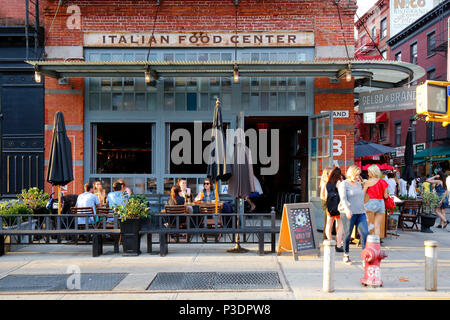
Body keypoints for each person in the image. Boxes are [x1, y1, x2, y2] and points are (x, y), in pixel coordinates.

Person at [338, 165, 369, 265]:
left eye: (358, 175)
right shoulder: (343, 184)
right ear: (351, 174)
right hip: (348, 212)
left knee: (365, 233)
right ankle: (346, 254)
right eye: (356, 175)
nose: (358, 177)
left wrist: (365, 212)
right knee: (347, 234)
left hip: (360, 212)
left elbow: (360, 199)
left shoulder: (359, 184)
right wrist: (347, 210)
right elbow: (343, 198)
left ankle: (365, 257)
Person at [363, 165, 389, 237]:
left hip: (373, 202)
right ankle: (377, 244)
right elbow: (386, 196)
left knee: (361, 210)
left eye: (368, 172)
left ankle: (369, 224)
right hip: (381, 204)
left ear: (372, 172)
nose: (368, 173)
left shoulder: (368, 182)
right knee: (377, 225)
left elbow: (362, 195)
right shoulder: (383, 181)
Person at [325, 167, 344, 253]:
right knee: (340, 225)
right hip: (338, 206)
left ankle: (329, 242)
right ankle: (338, 245)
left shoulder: (327, 183)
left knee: (329, 224)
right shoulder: (339, 182)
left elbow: (326, 196)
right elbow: (342, 194)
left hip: (330, 207)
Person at [320, 167, 332, 231]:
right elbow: (322, 194)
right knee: (327, 220)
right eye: (331, 172)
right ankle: (326, 237)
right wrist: (327, 202)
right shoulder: (325, 182)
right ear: (327, 174)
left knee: (328, 220)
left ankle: (326, 236)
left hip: (327, 201)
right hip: (325, 201)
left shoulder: (328, 181)